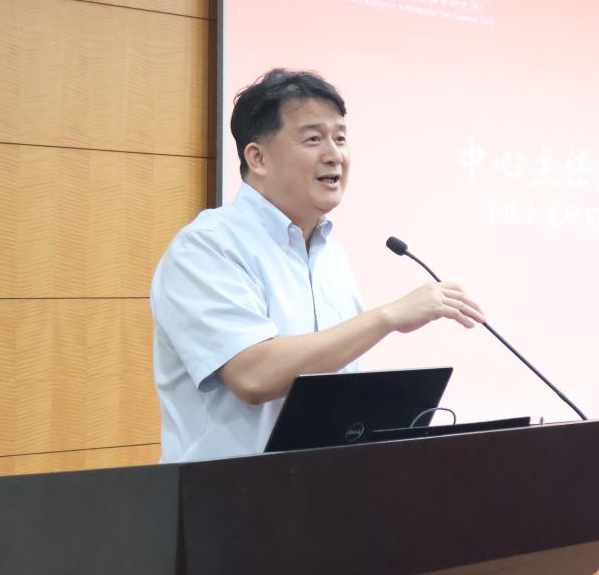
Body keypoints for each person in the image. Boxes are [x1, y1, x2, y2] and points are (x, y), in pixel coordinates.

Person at [151, 68, 484, 462]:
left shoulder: (331, 257)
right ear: (258, 158)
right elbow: (253, 375)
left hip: (323, 488)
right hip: (221, 493)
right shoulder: (207, 247)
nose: (334, 155)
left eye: (340, 138)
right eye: (313, 139)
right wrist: (388, 317)